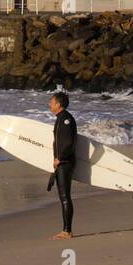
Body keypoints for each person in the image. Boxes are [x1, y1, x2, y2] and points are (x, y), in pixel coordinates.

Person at [49, 91, 77, 239]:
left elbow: (68, 143)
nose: (50, 104)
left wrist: (59, 158)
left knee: (65, 197)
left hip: (65, 163)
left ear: (58, 104)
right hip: (63, 162)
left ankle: (67, 231)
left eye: (52, 102)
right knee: (64, 197)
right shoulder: (61, 118)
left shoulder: (66, 119)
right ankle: (66, 230)